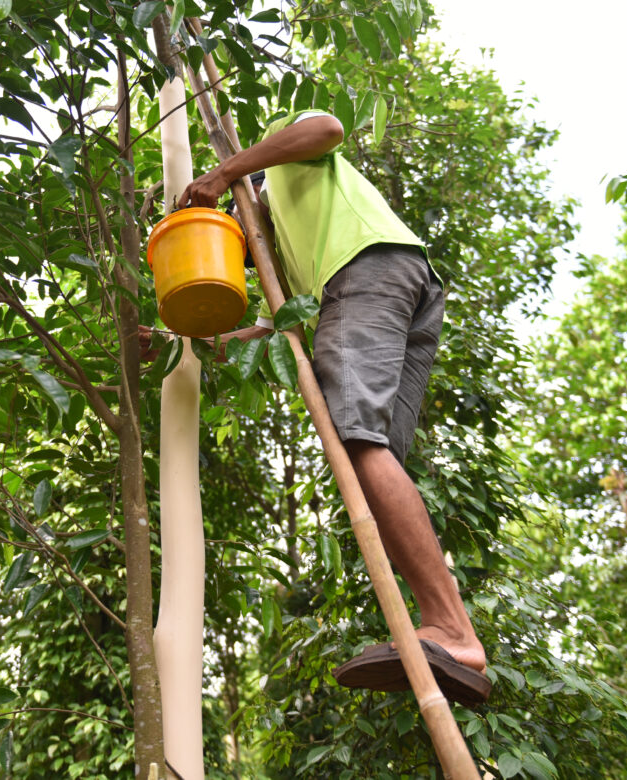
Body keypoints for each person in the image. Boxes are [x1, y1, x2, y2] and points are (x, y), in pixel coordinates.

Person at [177, 109, 491, 705]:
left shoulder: (281, 166)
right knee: (374, 462)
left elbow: (326, 128)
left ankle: (449, 626)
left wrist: (224, 171)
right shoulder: (291, 267)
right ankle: (456, 633)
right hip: (401, 281)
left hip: (367, 265)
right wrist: (177, 343)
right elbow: (270, 331)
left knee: (357, 442)